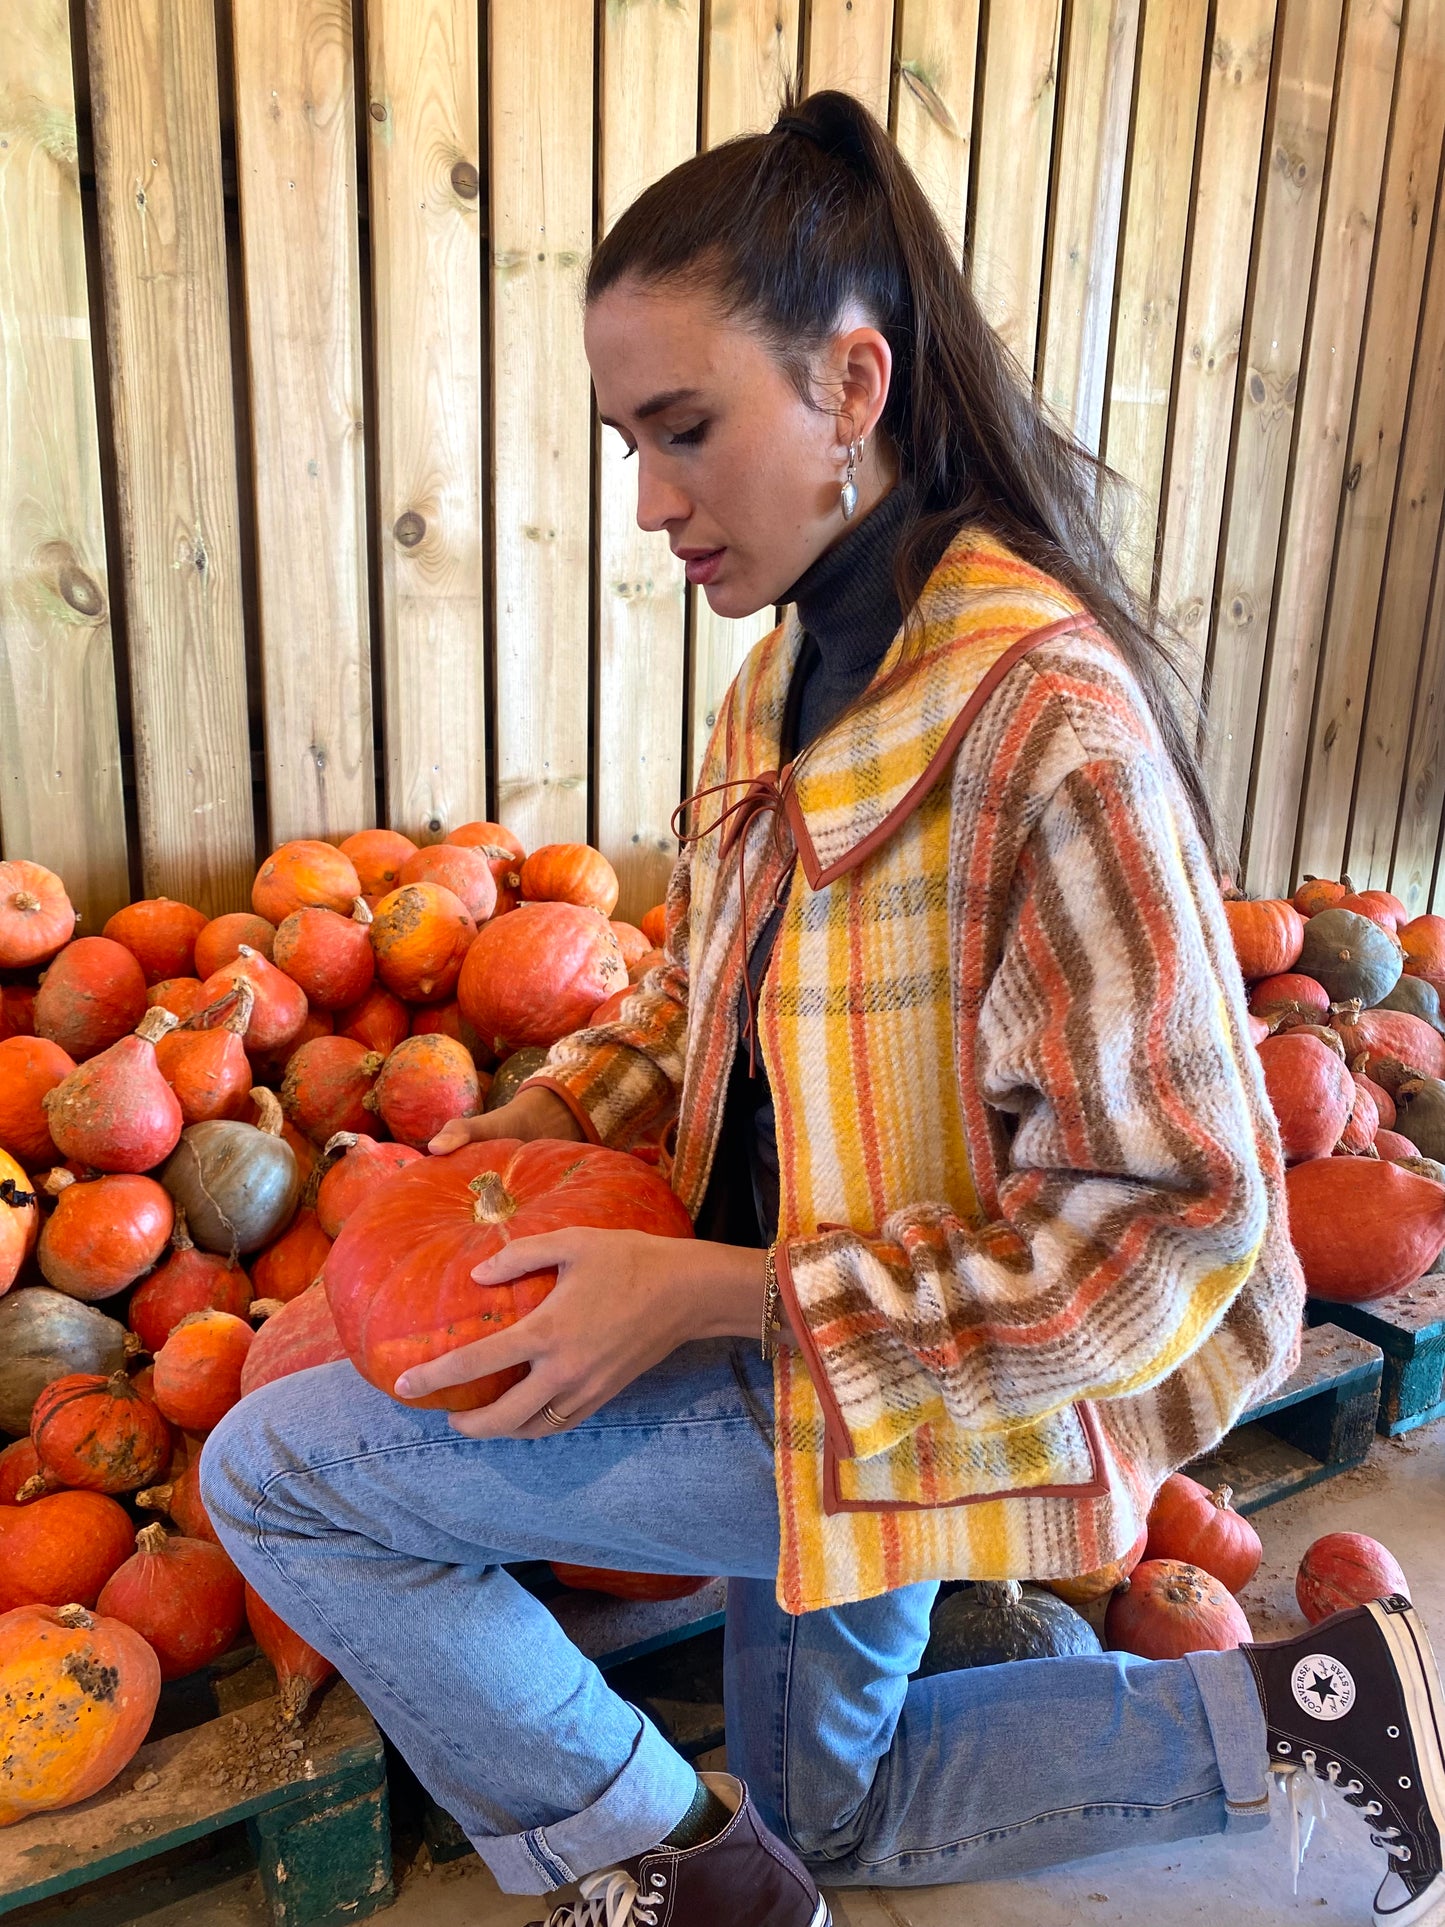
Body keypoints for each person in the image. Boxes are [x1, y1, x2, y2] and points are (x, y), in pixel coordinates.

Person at [200, 89, 1445, 1927]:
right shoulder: (783, 673)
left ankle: (666, 1874)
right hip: (823, 1352)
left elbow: (1173, 1230)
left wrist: (715, 1293)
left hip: (929, 1382)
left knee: (277, 1472)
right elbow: (713, 994)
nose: (650, 500)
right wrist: (559, 1113)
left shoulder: (1045, 728)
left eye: (684, 429)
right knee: (844, 1817)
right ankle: (1332, 1717)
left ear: (851, 389)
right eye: (630, 440)